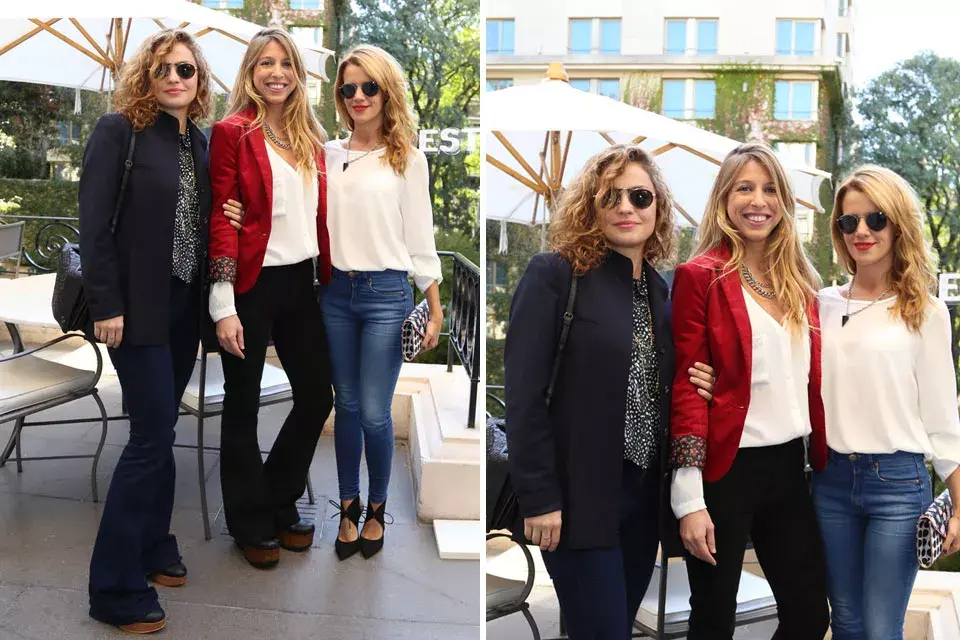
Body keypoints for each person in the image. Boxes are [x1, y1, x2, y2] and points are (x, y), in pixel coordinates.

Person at [504, 144, 715, 639]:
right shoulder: (555, 274)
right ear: (591, 207)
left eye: (640, 196)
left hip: (643, 503)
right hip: (575, 502)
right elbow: (524, 394)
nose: (626, 207)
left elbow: (668, 381)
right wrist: (539, 497)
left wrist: (701, 378)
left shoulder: (662, 292)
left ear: (657, 209)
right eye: (611, 196)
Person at [80, 29, 239, 633]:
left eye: (186, 70)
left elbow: (201, 226)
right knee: (150, 437)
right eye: (163, 69)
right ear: (146, 77)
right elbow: (94, 226)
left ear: (200, 81)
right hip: (134, 309)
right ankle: (114, 588)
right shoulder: (118, 132)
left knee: (162, 428)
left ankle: (153, 543)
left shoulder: (198, 144)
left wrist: (228, 214)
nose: (175, 78)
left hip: (182, 309)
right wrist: (106, 303)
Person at [669, 142, 829, 639]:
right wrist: (688, 499)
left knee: (808, 615)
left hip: (790, 468)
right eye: (745, 188)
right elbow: (687, 388)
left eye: (769, 189)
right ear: (723, 199)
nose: (758, 200)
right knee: (714, 617)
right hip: (725, 471)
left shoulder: (803, 283)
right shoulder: (700, 277)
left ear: (783, 202)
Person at [814, 165, 960, 639]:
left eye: (875, 219)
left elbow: (942, 418)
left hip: (898, 483)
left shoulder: (926, 310)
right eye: (848, 222)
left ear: (898, 224)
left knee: (880, 628)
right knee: (848, 621)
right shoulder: (821, 303)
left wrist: (959, 506)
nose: (861, 231)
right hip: (830, 479)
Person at [207, 27, 333, 569]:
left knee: (316, 396)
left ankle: (278, 499)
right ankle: (248, 521)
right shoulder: (232, 131)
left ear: (298, 74)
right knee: (242, 405)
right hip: (251, 285)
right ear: (250, 72)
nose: (276, 72)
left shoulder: (312, 138)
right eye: (265, 63)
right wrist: (223, 304)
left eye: (285, 62)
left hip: (302, 284)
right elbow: (221, 215)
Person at [323, 44, 443, 560]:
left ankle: (377, 508)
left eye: (368, 86)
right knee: (344, 406)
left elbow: (421, 238)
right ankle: (347, 508)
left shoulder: (407, 159)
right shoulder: (326, 154)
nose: (357, 97)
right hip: (333, 293)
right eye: (348, 88)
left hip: (387, 296)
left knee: (374, 411)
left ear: (386, 91)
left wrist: (434, 306)